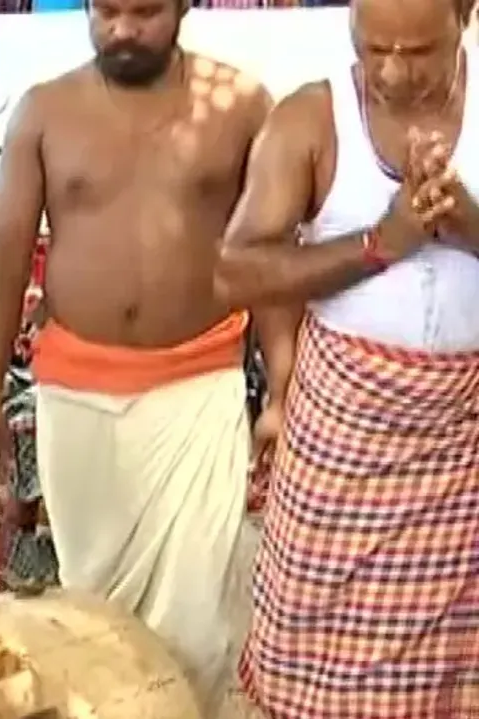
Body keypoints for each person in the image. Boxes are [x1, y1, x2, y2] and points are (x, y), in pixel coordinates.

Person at [0, 0, 271, 704]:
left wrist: (286, 393)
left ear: (181, 7)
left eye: (144, 12)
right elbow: (4, 255)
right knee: (90, 608)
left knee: (195, 622)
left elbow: (269, 255)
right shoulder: (44, 111)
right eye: (106, 11)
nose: (122, 28)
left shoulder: (240, 104)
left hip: (198, 388)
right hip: (75, 393)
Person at [213, 0, 479, 714]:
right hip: (342, 445)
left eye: (417, 51)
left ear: (467, 15)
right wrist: (379, 243)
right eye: (374, 47)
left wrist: (467, 225)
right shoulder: (311, 118)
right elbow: (236, 271)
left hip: (464, 451)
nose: (391, 72)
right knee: (319, 669)